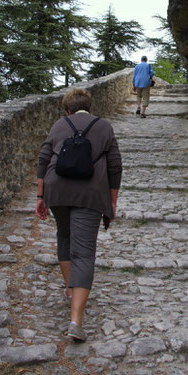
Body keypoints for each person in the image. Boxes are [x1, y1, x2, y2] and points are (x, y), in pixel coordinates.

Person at [35, 87, 122, 342]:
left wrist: (40, 197)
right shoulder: (103, 126)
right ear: (91, 108)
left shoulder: (58, 126)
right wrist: (112, 201)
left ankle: (70, 290)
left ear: (68, 110)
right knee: (83, 253)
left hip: (57, 191)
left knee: (64, 236)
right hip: (90, 194)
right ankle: (75, 321)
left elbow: (43, 159)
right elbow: (115, 165)